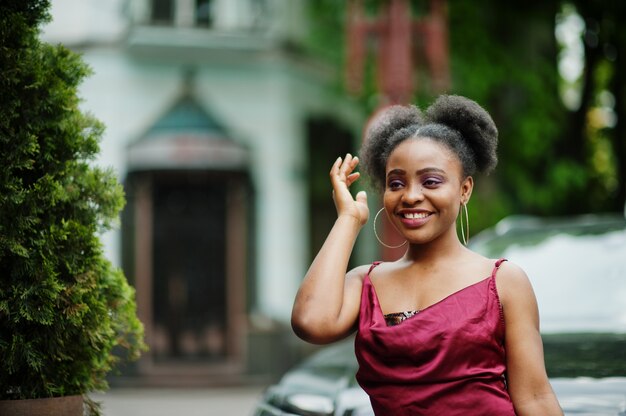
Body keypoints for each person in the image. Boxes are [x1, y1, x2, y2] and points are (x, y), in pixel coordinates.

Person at [291, 95, 563, 415]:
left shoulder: (503, 282)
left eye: (430, 181)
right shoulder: (366, 283)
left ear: (464, 190)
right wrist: (349, 219)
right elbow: (310, 322)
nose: (411, 196)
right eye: (396, 183)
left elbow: (534, 398)